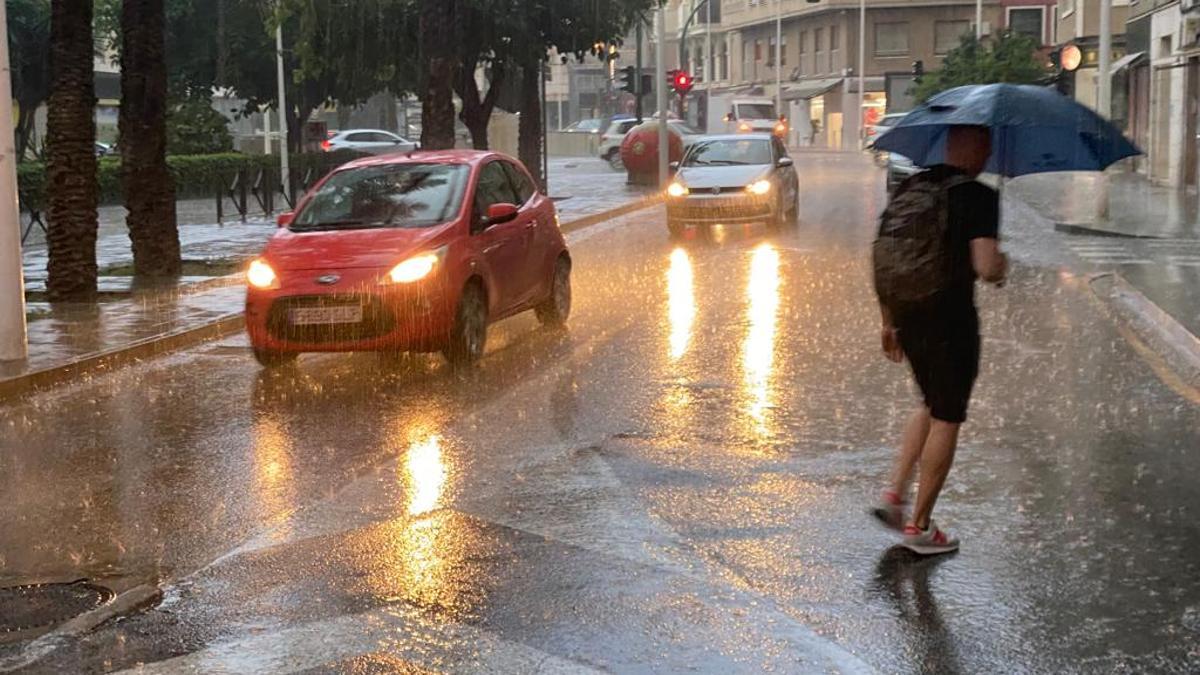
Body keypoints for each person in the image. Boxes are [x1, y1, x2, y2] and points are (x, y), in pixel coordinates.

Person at [871, 125, 1008, 555]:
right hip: (948, 317)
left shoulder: (913, 183)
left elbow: (883, 251)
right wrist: (1003, 265)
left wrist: (888, 320)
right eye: (986, 146)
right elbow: (986, 267)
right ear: (980, 149)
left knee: (929, 403)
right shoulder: (978, 195)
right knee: (947, 415)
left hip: (905, 311)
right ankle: (920, 527)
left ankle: (895, 495)